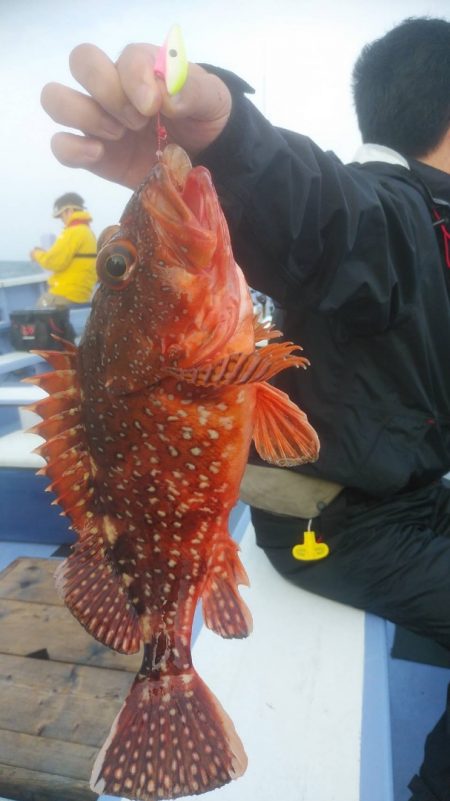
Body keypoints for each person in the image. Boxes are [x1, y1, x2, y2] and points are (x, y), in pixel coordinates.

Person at [40, 17, 450, 800]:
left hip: (408, 496)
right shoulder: (391, 211)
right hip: (341, 526)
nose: (127, 262)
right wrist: (225, 146)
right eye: (120, 266)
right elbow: (324, 221)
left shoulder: (432, 212)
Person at [30, 192, 97, 307]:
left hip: (64, 295)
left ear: (69, 211)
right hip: (82, 295)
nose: (62, 220)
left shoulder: (73, 232)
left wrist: (36, 254)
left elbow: (53, 262)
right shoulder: (88, 233)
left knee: (33, 315)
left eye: (61, 216)